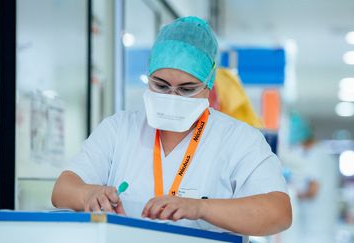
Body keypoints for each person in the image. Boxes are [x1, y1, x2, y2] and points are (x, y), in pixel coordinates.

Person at [52, 16, 291, 236]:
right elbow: (63, 189)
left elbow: (278, 212)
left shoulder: (239, 140)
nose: (172, 96)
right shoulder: (119, 129)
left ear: (209, 84)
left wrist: (201, 208)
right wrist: (88, 194)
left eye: (187, 89)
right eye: (161, 86)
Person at [281, 112, 339, 243]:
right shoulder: (318, 153)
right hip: (319, 227)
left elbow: (313, 190)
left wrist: (290, 195)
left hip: (317, 230)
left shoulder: (316, 155)